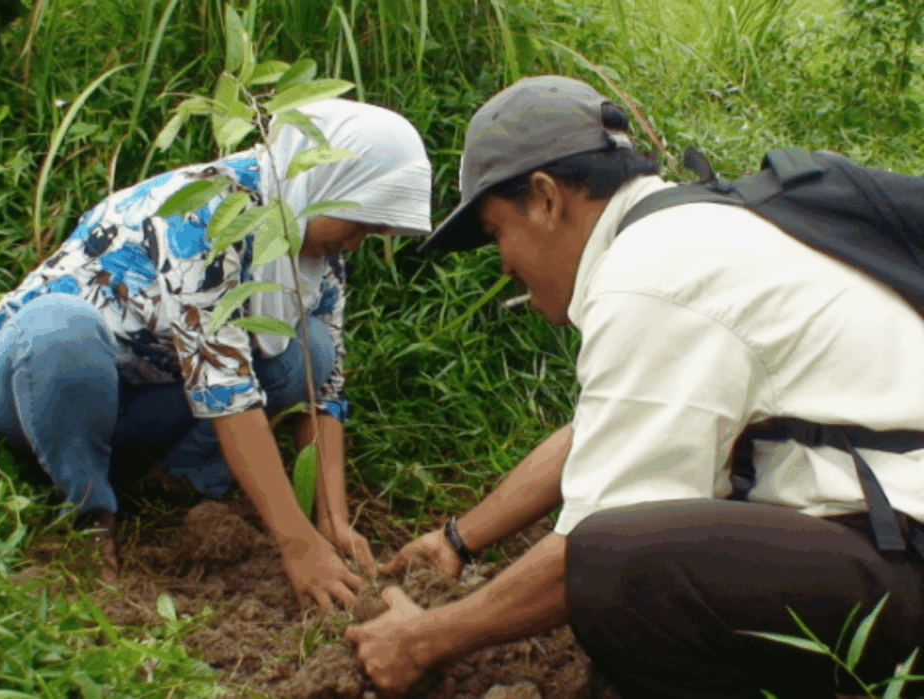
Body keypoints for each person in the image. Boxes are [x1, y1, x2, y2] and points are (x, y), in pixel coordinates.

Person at [345, 75, 924, 698]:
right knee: (624, 553)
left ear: (545, 199)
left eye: (495, 234)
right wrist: (460, 540)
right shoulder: (685, 229)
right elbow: (601, 432)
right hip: (885, 542)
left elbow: (591, 547)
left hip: (903, 561)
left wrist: (423, 638)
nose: (503, 262)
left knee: (617, 564)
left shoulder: (650, 275)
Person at [0, 98, 432, 609]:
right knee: (63, 328)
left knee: (308, 349)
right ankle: (89, 518)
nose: (356, 245)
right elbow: (224, 389)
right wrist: (297, 545)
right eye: (359, 225)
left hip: (138, 406)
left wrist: (332, 518)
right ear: (325, 184)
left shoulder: (313, 247)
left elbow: (326, 384)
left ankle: (170, 480)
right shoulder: (204, 216)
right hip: (34, 393)